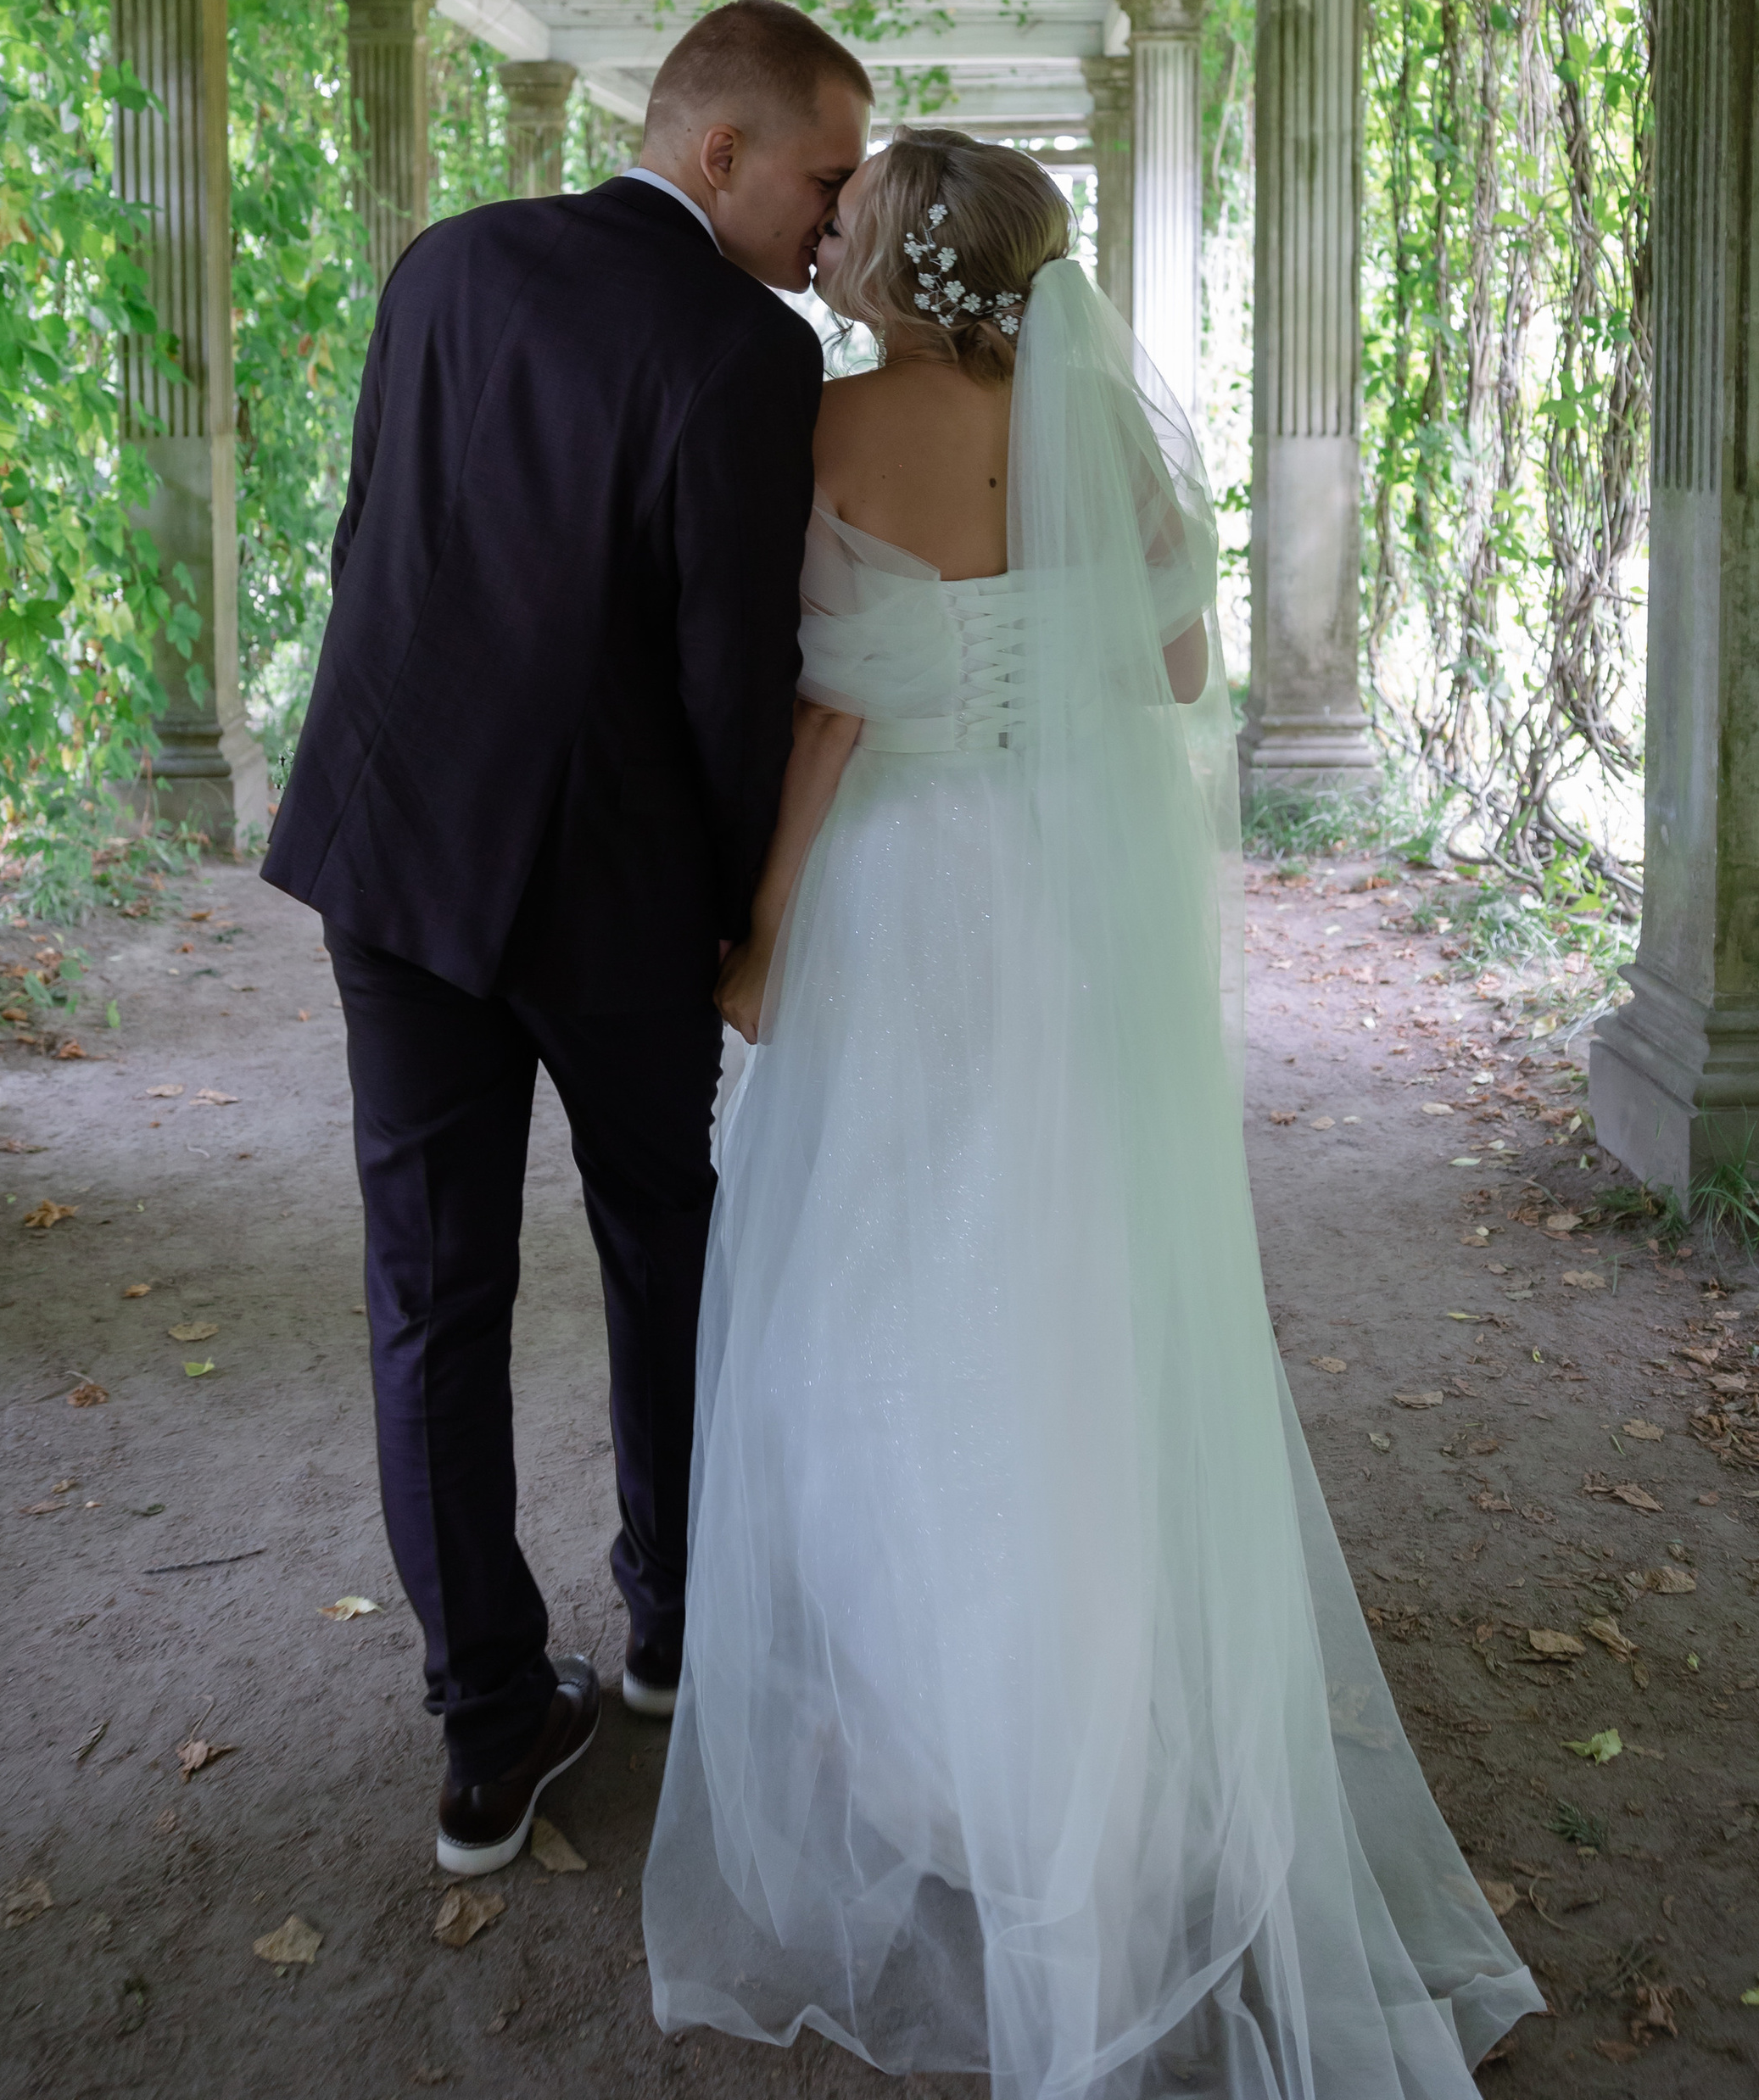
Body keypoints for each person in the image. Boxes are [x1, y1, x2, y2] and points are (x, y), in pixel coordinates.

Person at [643, 131, 1544, 2099]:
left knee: (884, 1289)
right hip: (1060, 901)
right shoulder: (1114, 446)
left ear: (883, 255)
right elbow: (1176, 671)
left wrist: (764, 929)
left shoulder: (823, 426)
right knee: (1071, 1292)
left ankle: (940, 1748)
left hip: (896, 894)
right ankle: (1106, 1745)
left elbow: (814, 705)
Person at [263, 0, 870, 1878]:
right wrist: (731, 904)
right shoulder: (742, 345)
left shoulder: (443, 260)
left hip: (395, 854)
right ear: (719, 155)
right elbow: (726, 666)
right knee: (657, 1240)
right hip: (607, 889)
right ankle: (674, 1629)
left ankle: (482, 1729)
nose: (836, 229)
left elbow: (377, 533)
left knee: (430, 1292)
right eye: (823, 180)